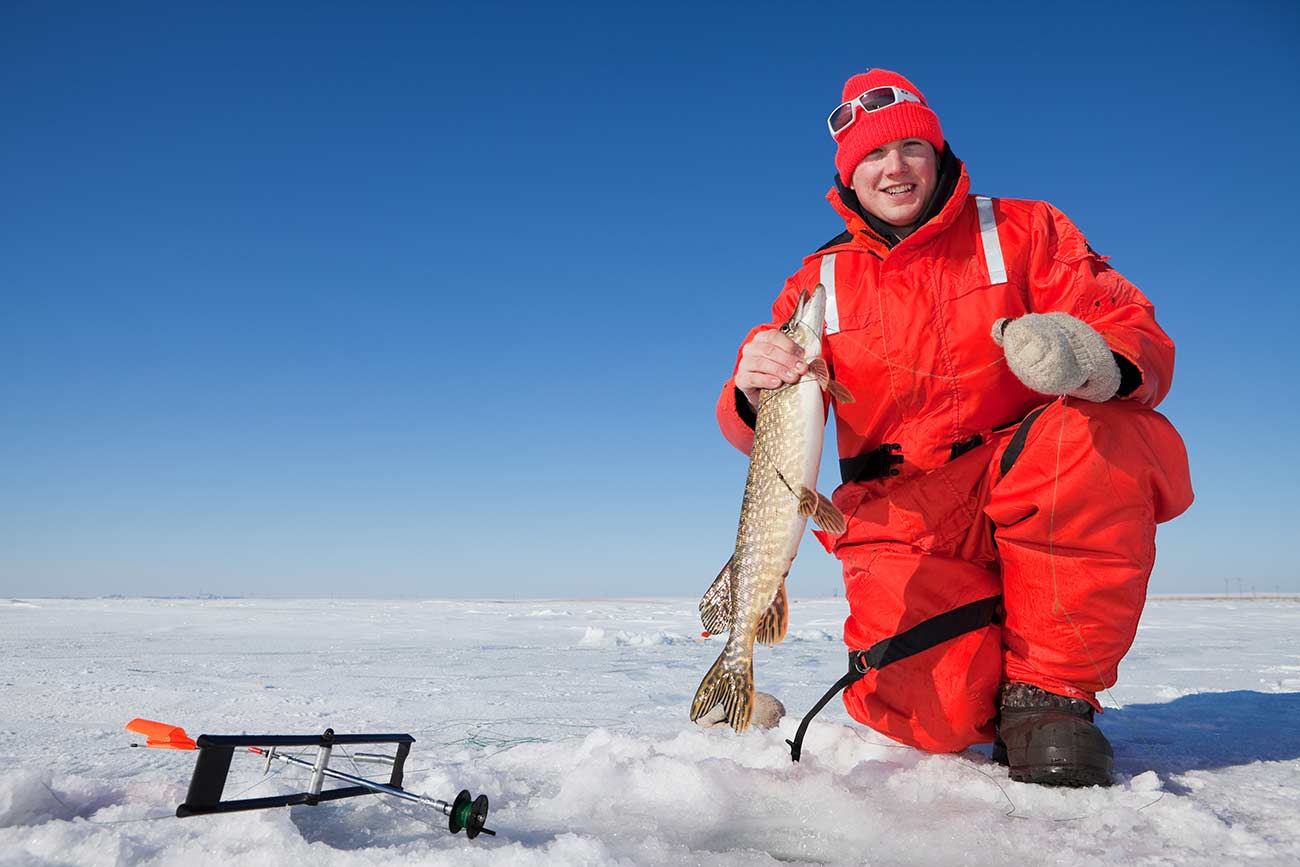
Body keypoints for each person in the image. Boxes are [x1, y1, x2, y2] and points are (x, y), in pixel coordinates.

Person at [716, 69, 1194, 787]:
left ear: (938, 152)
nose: (894, 166)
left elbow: (1133, 328)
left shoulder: (1025, 230)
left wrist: (1095, 358)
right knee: (922, 715)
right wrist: (751, 385)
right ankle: (989, 655)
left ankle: (1048, 695)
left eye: (910, 145)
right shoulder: (817, 280)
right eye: (873, 156)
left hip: (1025, 473)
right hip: (898, 515)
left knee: (1102, 434)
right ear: (850, 175)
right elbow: (760, 430)